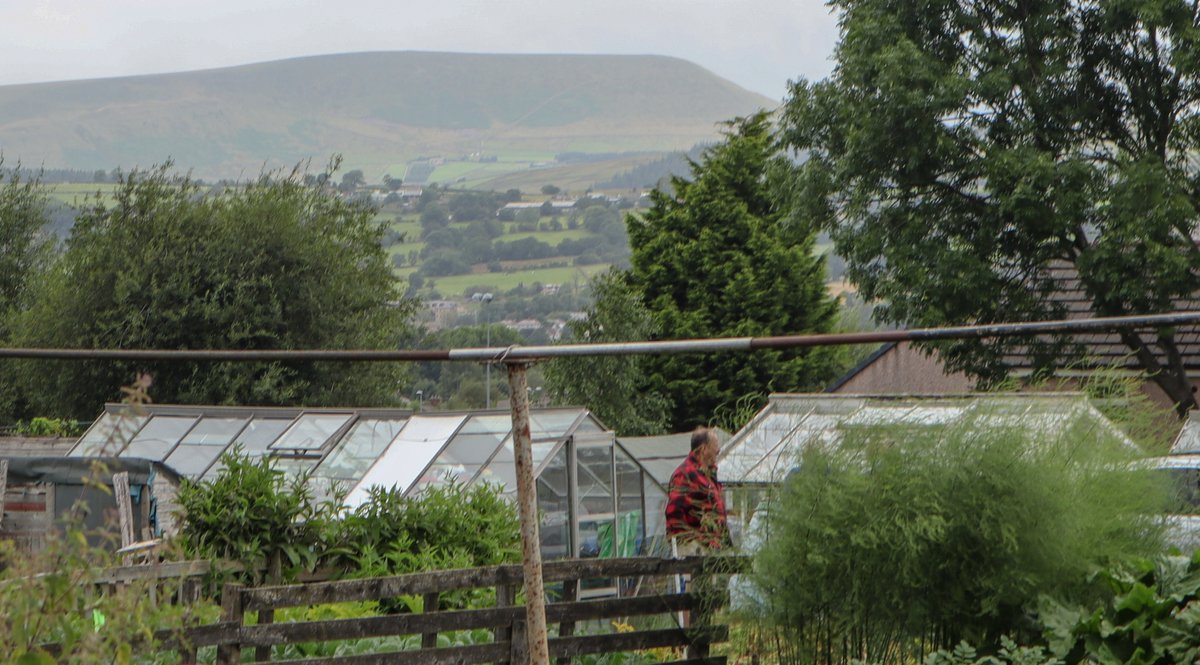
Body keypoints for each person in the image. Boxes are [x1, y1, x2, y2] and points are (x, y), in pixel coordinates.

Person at [665, 426, 730, 556]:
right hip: (696, 549)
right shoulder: (684, 475)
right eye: (715, 448)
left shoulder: (708, 475)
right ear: (703, 449)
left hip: (713, 547)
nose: (717, 452)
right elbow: (673, 511)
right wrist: (691, 542)